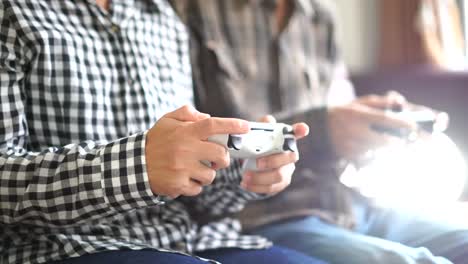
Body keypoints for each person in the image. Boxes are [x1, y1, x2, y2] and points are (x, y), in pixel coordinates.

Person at [0, 1, 327, 264]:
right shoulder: (12, 13)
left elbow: (193, 194)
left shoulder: (164, 18)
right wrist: (138, 166)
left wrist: (246, 175)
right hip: (66, 247)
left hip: (194, 240)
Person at [170, 0, 468, 263]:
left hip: (348, 204)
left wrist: (370, 126)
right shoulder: (185, 10)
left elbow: (338, 107)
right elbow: (188, 143)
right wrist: (326, 129)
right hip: (260, 218)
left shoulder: (319, 13)